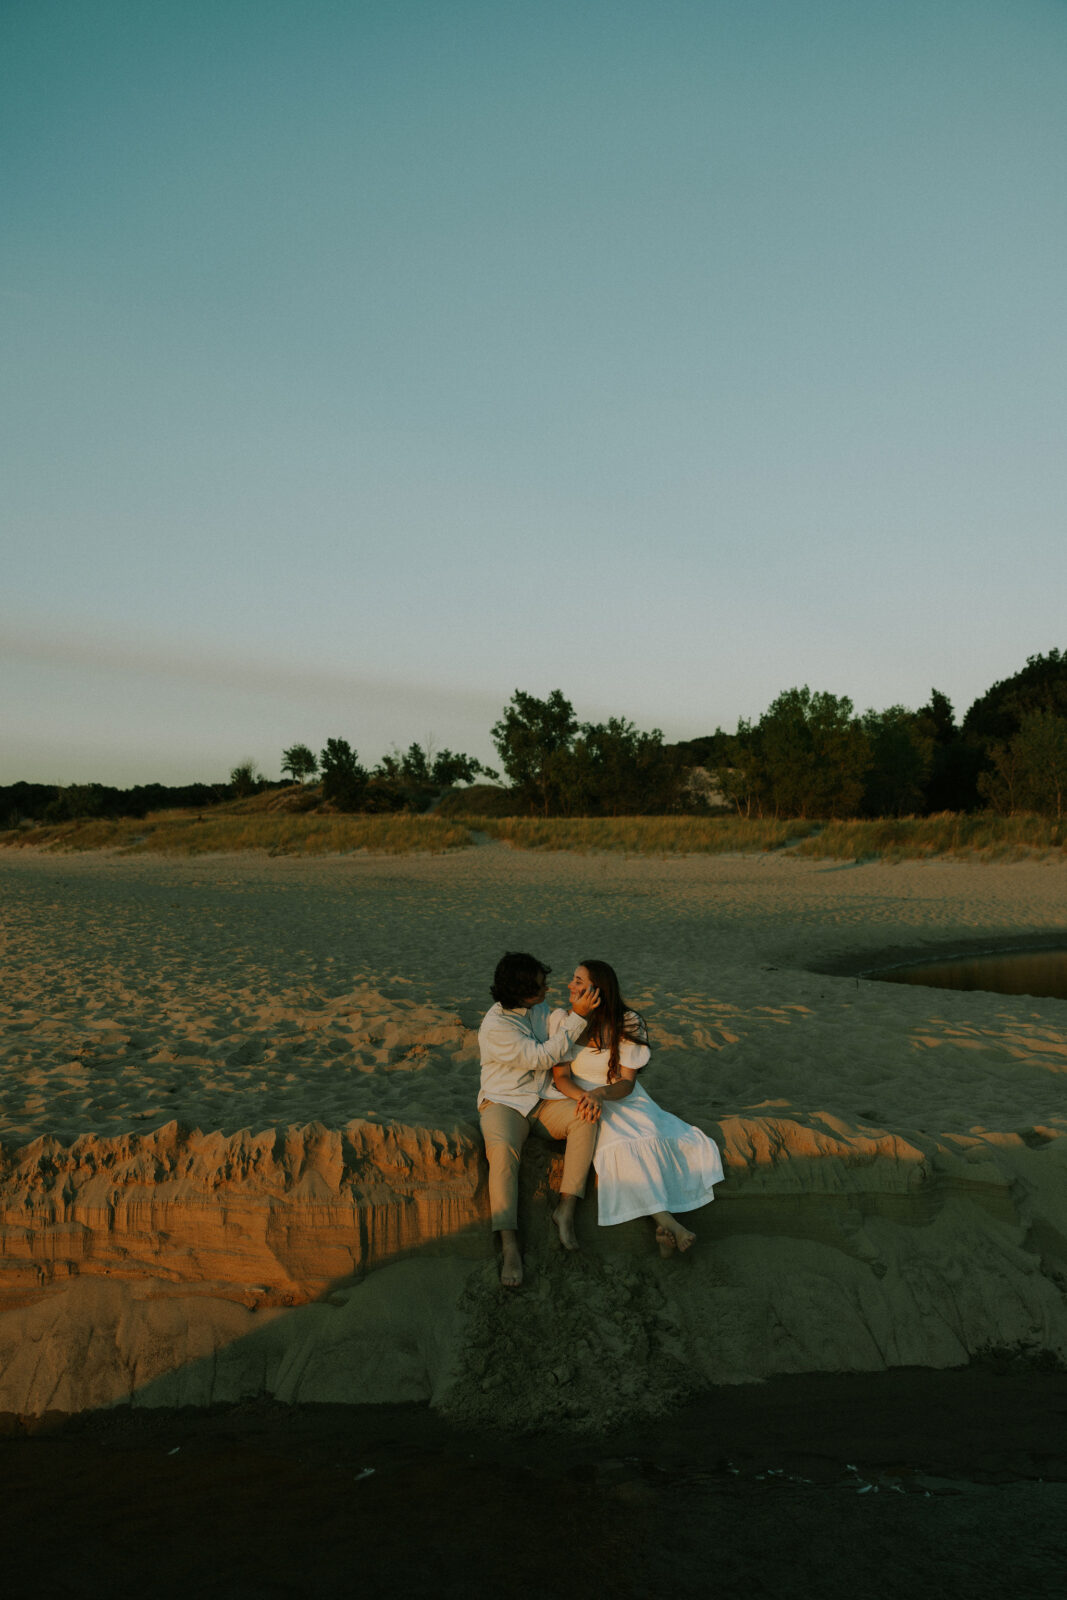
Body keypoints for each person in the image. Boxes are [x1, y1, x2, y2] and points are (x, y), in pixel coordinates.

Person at [545, 959, 723, 1254]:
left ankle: (666, 1230)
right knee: (618, 1142)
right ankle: (670, 1226)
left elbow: (626, 1083)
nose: (570, 985)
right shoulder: (562, 1020)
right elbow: (561, 1077)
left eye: (578, 981)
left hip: (616, 1093)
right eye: (573, 980)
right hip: (578, 1094)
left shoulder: (626, 1021)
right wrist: (585, 1098)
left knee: (648, 1134)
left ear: (597, 989)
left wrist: (601, 1094)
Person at [477, 951, 602, 1289]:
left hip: (543, 1100)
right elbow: (543, 1057)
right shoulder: (497, 1027)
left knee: (585, 1118)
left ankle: (566, 1209)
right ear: (521, 993)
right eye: (540, 987)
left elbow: (555, 1021)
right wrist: (576, 1018)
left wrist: (571, 1015)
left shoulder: (535, 1007)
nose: (548, 990)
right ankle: (510, 1246)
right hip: (504, 1103)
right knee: (502, 1154)